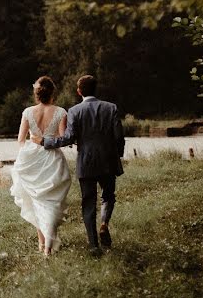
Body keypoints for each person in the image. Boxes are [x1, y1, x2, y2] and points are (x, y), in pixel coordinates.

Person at [36, 74, 125, 256]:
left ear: (79, 92)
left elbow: (68, 138)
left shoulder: (75, 111)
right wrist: (117, 155)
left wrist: (44, 142)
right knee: (108, 196)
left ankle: (93, 244)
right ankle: (104, 224)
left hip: (86, 163)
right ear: (96, 89)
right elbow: (119, 138)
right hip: (108, 161)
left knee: (88, 202)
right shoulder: (111, 108)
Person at [10, 75, 72, 257]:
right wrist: (46, 145)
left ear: (36, 94)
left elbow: (21, 141)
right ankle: (46, 245)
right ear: (53, 91)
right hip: (52, 159)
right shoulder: (61, 112)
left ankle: (43, 243)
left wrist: (30, 152)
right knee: (50, 202)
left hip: (31, 160)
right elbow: (63, 140)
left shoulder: (28, 112)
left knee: (36, 201)